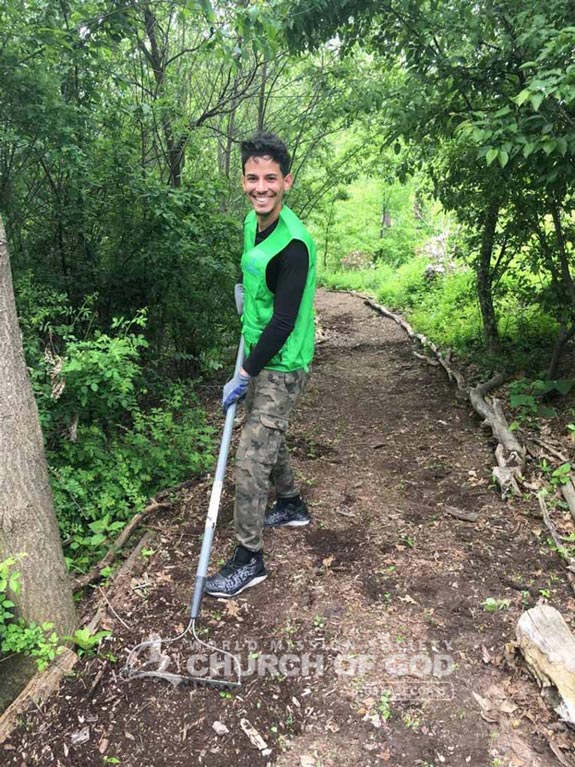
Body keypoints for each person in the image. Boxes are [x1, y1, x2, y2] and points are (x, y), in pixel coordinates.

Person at [204, 131, 316, 599]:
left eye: (271, 179)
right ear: (244, 180)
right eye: (253, 178)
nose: (261, 187)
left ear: (286, 182)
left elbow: (285, 322)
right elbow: (256, 279)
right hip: (256, 345)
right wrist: (244, 300)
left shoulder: (294, 246)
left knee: (251, 457)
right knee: (266, 433)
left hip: (283, 361)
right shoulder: (253, 223)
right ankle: (290, 504)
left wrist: (246, 371)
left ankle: (249, 559)